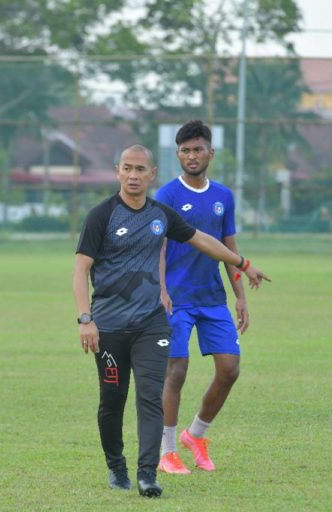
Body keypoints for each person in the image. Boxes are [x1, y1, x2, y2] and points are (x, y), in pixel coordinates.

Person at [72, 144, 269, 498]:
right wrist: (86, 319)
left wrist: (241, 263)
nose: (133, 176)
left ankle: (149, 473)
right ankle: (116, 465)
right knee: (112, 401)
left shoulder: (161, 215)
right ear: (118, 170)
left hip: (152, 324)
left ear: (152, 175)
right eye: (127, 168)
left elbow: (204, 242)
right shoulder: (101, 215)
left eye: (140, 170)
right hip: (110, 326)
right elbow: (81, 268)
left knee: (151, 396)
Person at [155, 119, 260, 474]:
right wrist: (162, 290)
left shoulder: (223, 197)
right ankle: (167, 450)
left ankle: (196, 434)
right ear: (177, 155)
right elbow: (159, 249)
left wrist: (240, 296)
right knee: (176, 370)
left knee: (230, 370)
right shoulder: (167, 195)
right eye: (185, 150)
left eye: (198, 149)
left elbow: (229, 248)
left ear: (210, 153)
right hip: (177, 299)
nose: (192, 155)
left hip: (212, 298)